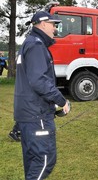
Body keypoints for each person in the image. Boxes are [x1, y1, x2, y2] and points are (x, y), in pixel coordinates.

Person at [14, 11, 70, 180]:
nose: (55, 28)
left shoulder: (28, 43)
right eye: (54, 24)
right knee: (44, 161)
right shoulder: (37, 45)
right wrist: (61, 100)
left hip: (28, 114)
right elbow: (39, 80)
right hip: (36, 115)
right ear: (43, 24)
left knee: (33, 162)